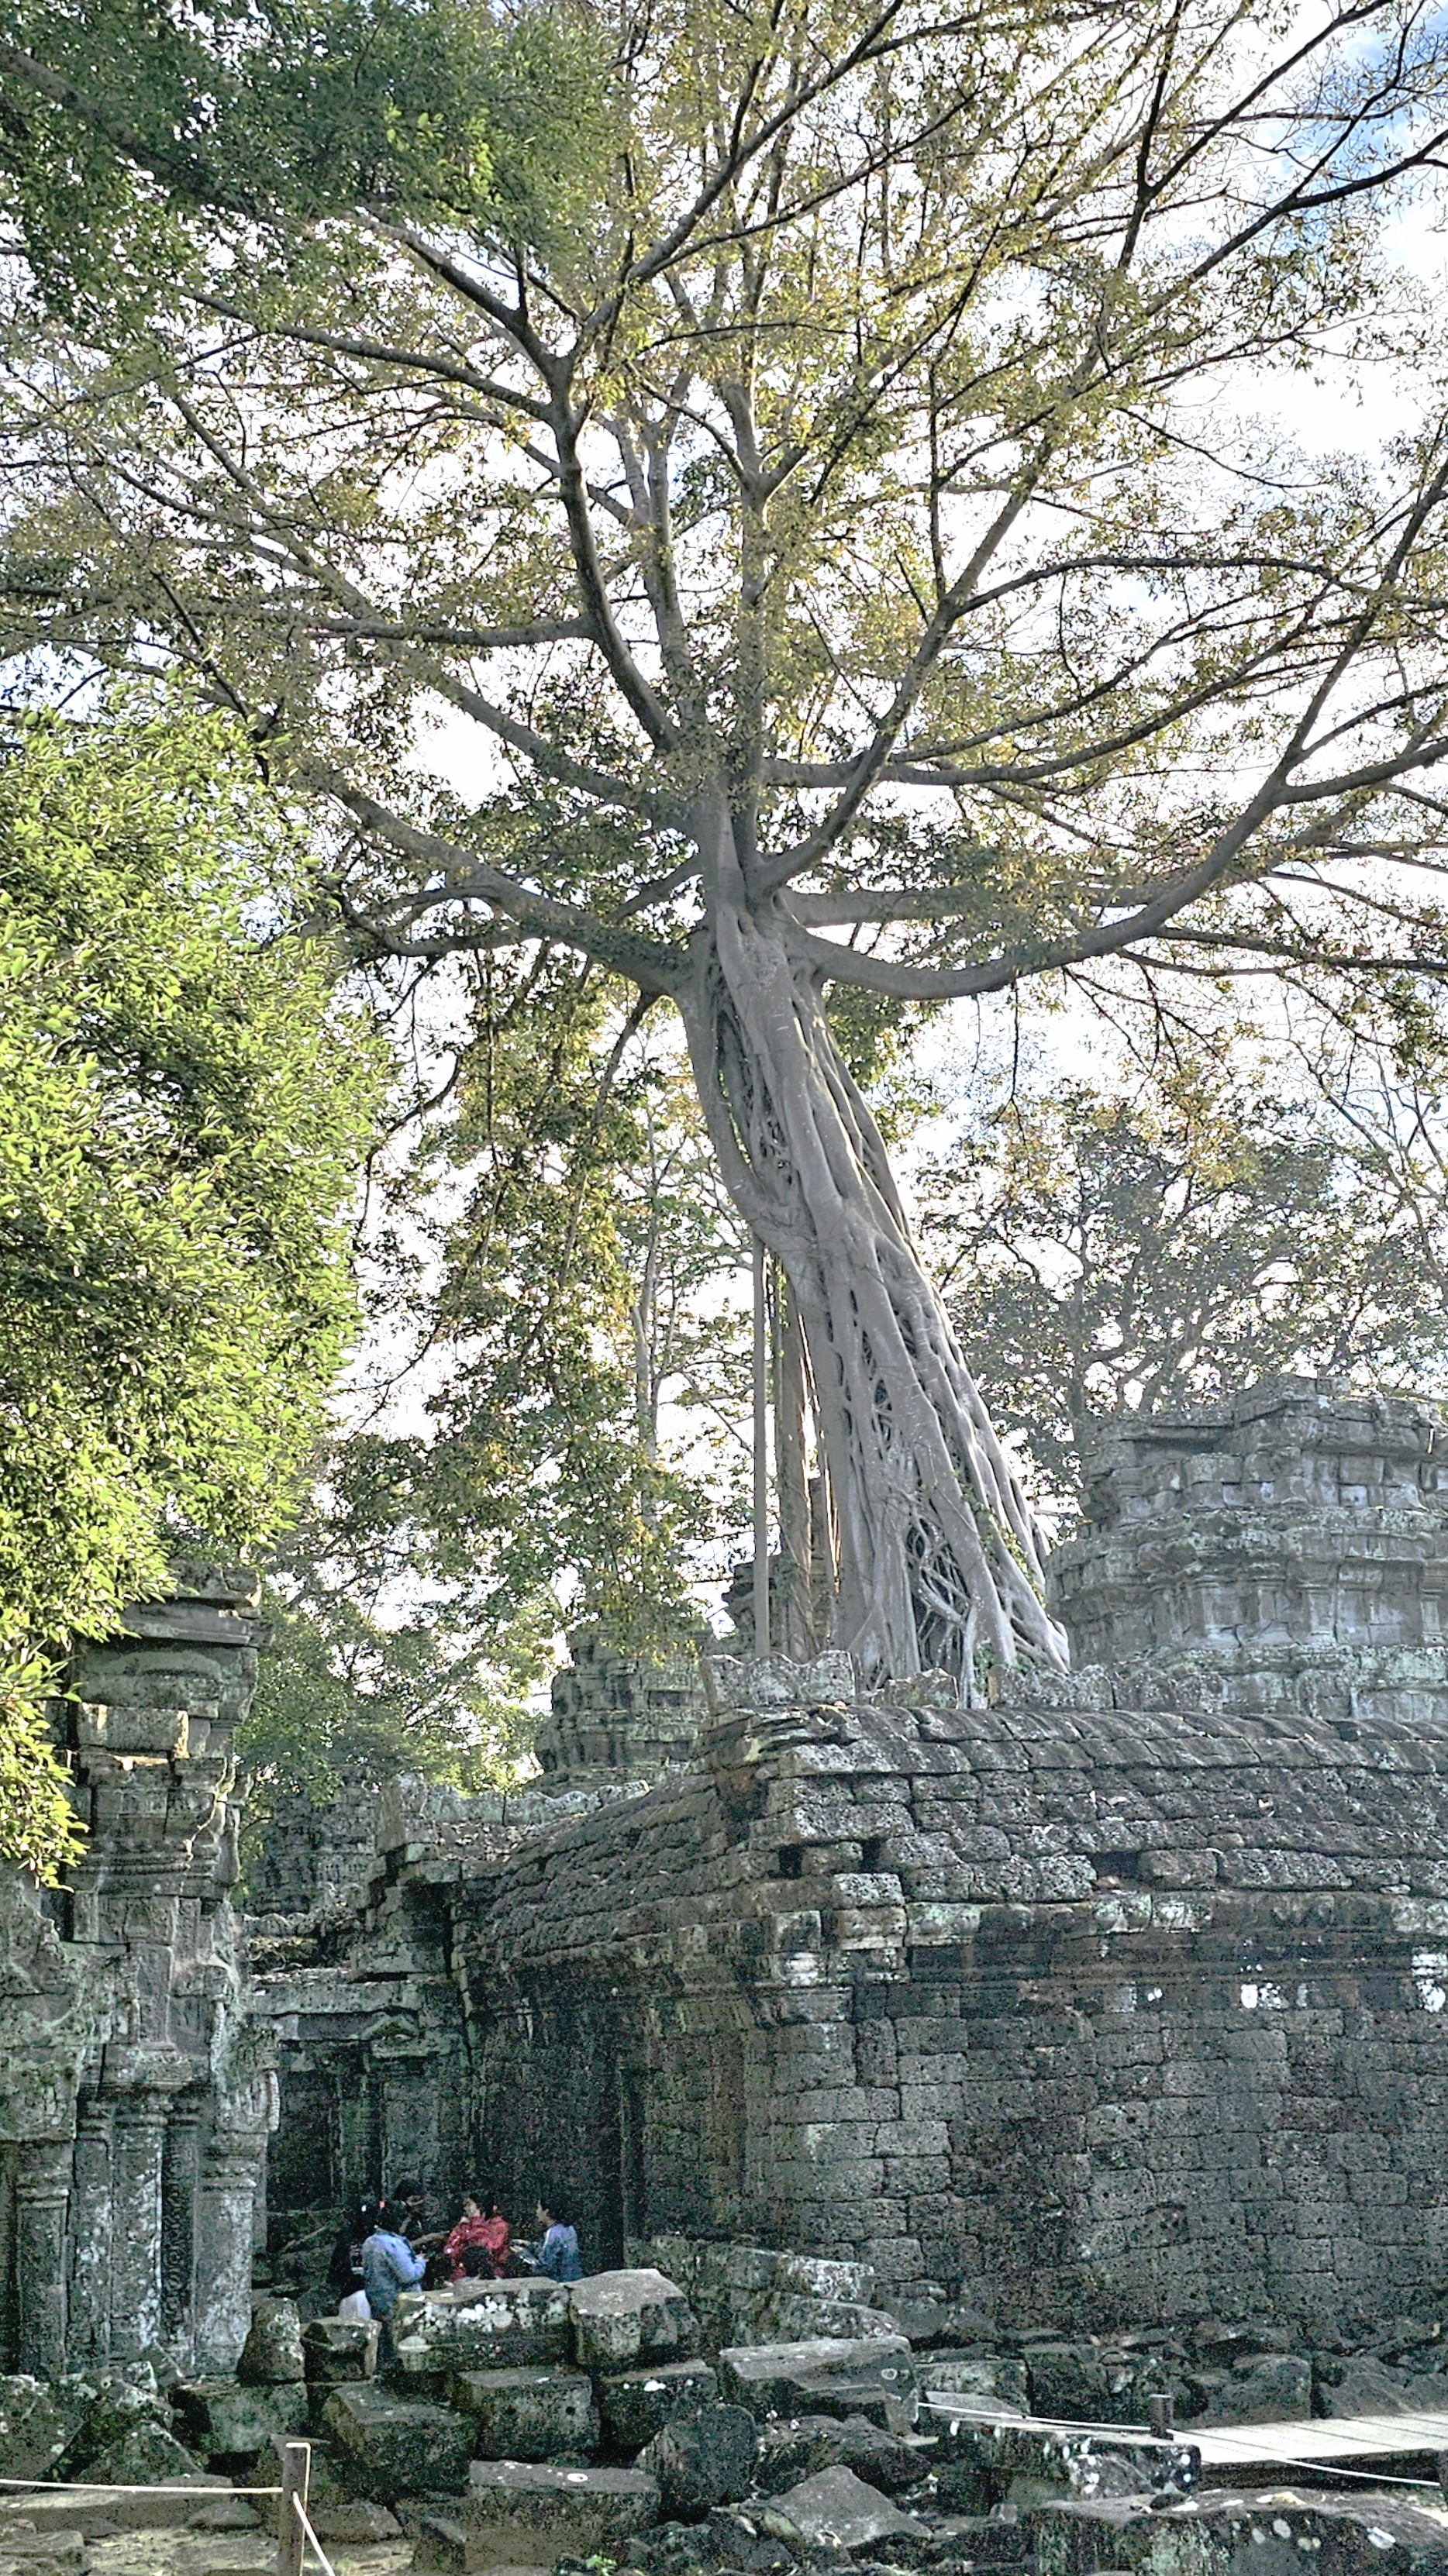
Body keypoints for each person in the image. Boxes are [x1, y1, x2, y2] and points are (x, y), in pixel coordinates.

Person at [360, 2199, 426, 2362]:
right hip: (398, 2304)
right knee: (400, 2348)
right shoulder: (392, 2245)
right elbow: (408, 2275)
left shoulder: (370, 2242)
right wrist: (420, 2262)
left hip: (378, 2302)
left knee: (384, 2346)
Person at [443, 2195, 511, 2282]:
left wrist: (476, 2222)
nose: (466, 2209)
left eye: (469, 2205)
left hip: (491, 2275)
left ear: (480, 2206)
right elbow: (449, 2250)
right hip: (462, 2275)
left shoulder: (499, 2225)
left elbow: (487, 2247)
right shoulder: (464, 2226)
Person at [326, 2202, 370, 2313]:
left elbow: (333, 2277)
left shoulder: (343, 2243)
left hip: (349, 2295)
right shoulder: (374, 2242)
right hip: (365, 2295)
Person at [533, 2199, 581, 2282]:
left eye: (538, 2208)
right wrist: (531, 2246)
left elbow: (545, 2265)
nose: (536, 2212)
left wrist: (524, 2256)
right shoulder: (569, 2228)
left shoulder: (553, 2233)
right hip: (574, 2276)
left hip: (561, 2281)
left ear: (546, 2211)